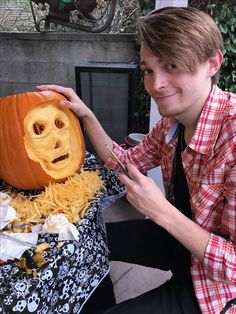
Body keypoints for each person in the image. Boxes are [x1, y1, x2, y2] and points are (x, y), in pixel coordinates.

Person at [37, 6, 236, 314]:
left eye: (172, 65)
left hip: (214, 290)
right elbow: (123, 162)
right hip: (177, 244)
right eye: (148, 70)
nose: (156, 85)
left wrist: (160, 211)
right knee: (83, 240)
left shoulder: (232, 136)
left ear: (212, 63)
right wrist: (86, 115)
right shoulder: (172, 126)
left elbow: (233, 267)